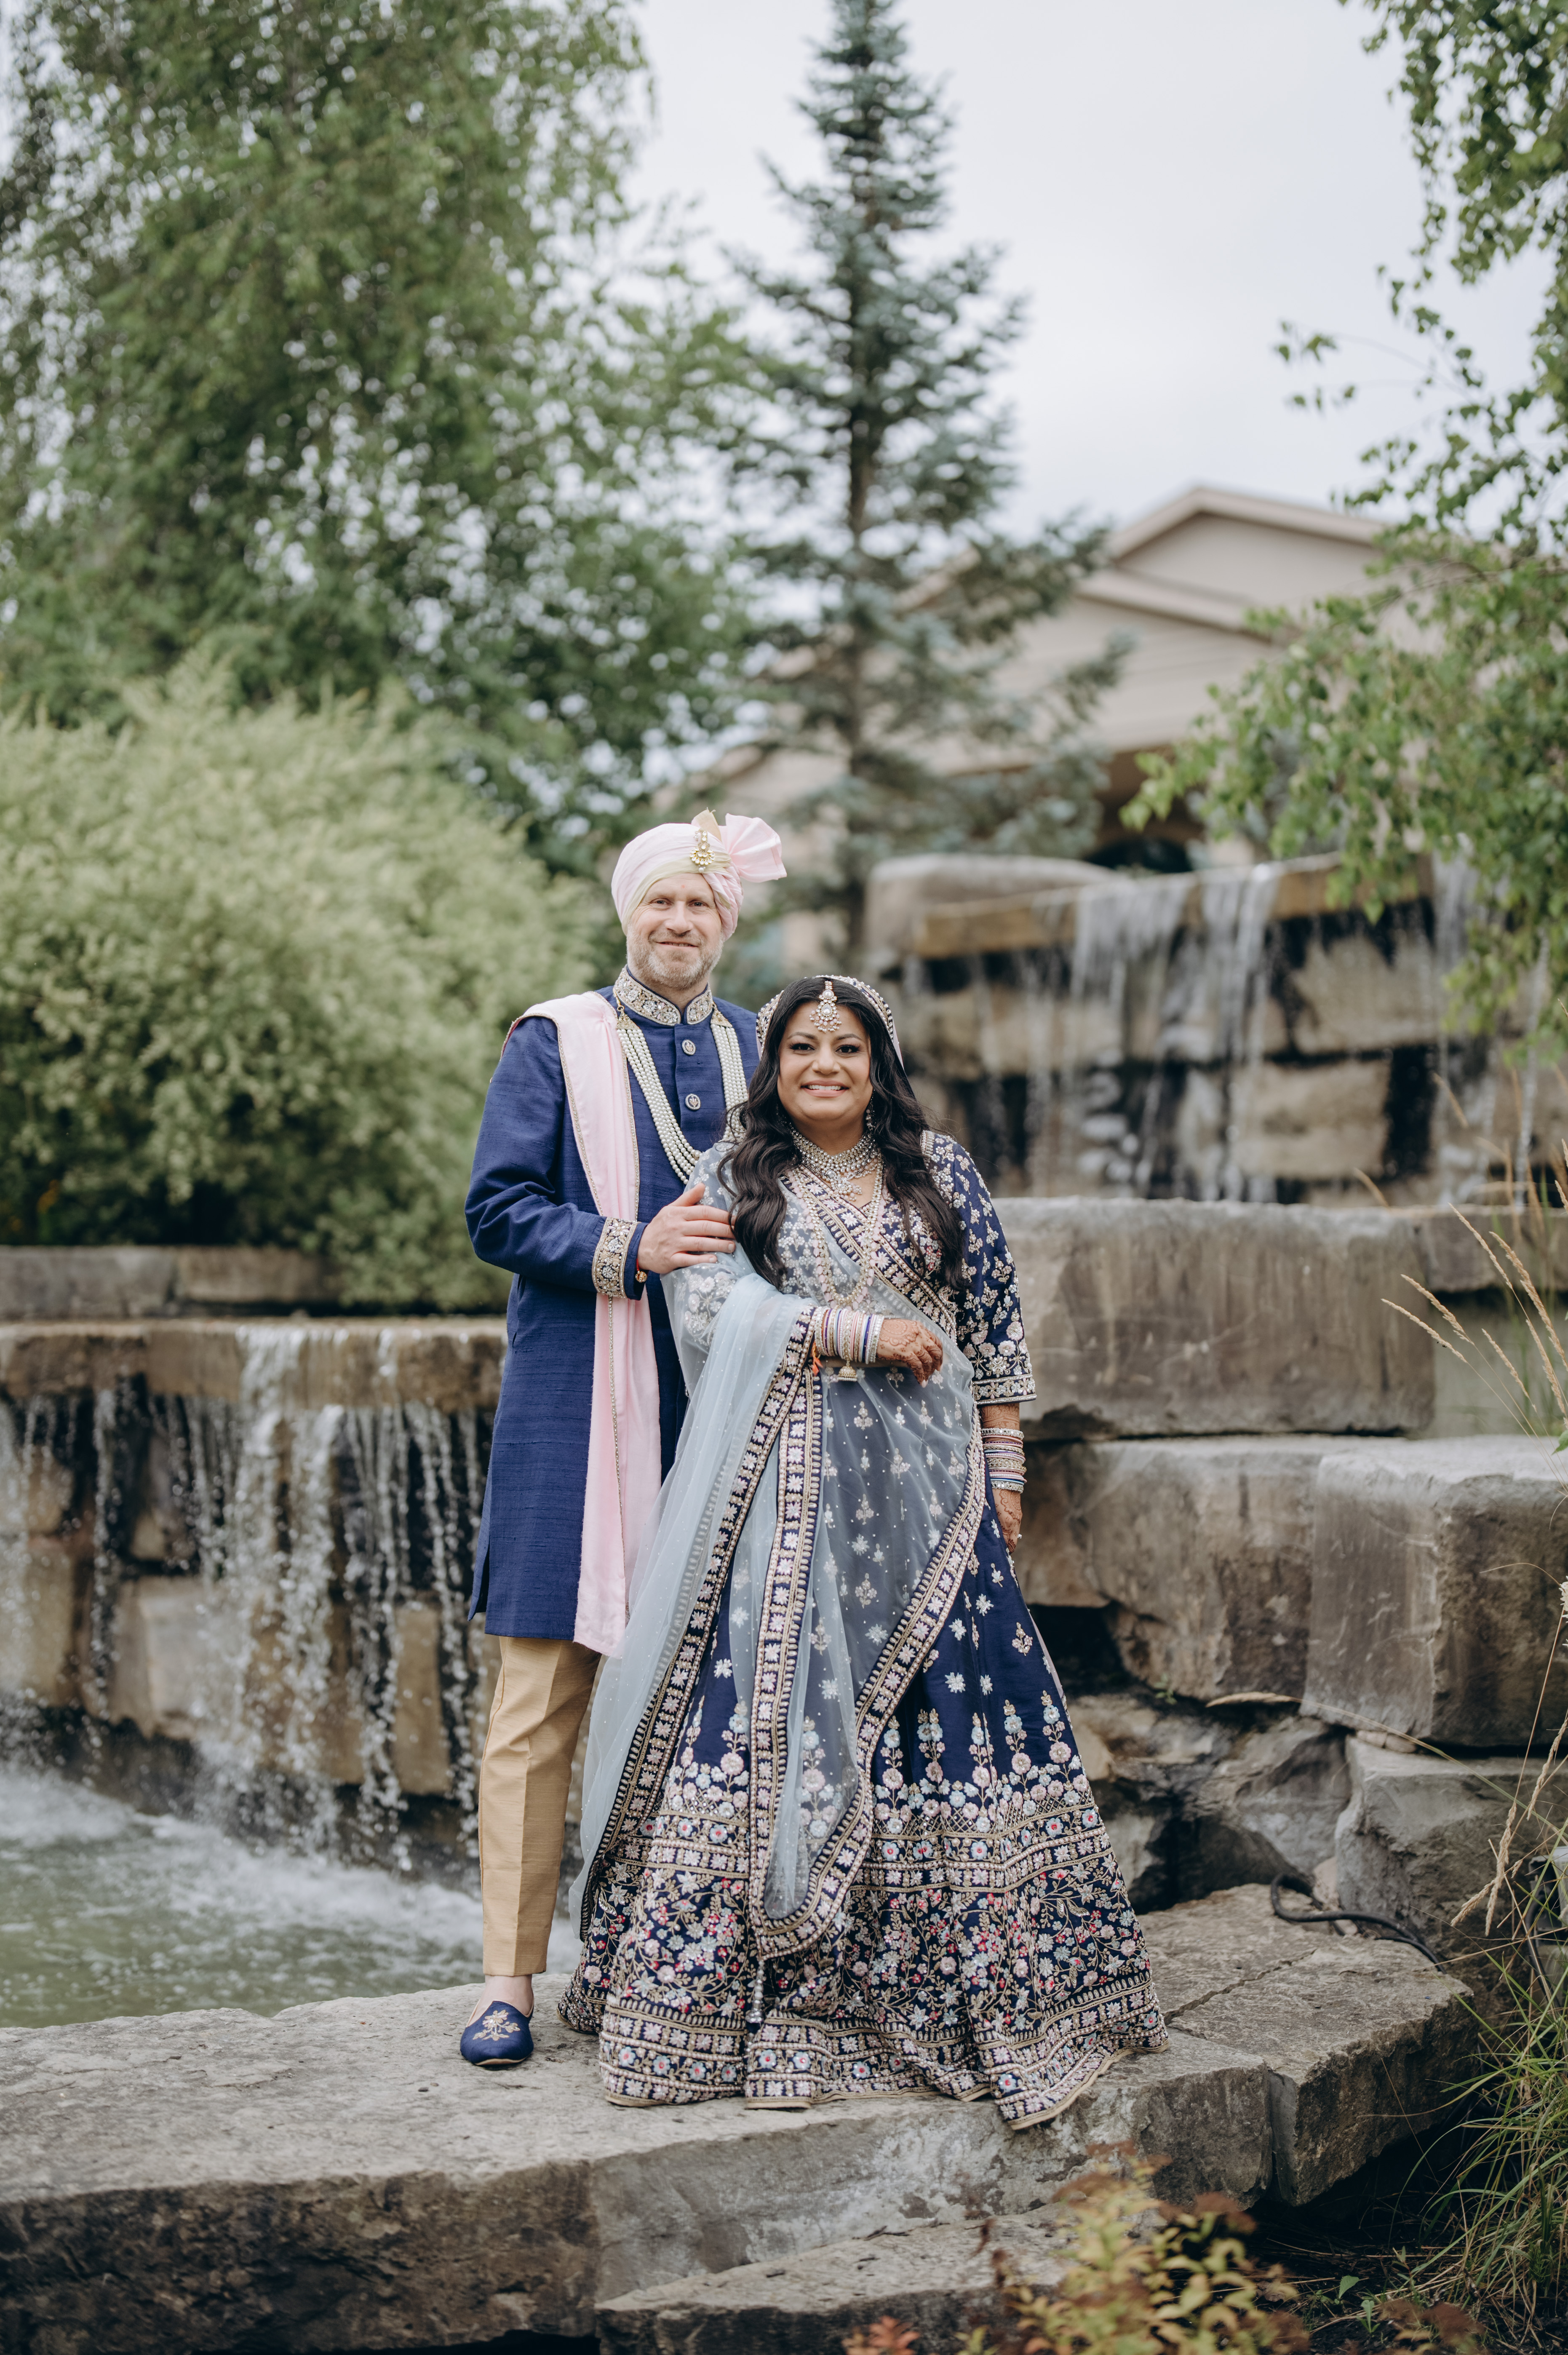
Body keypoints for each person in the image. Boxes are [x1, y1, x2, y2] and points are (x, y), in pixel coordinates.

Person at [560, 975, 1167, 2124]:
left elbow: (992, 1324)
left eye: (847, 1048)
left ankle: (989, 1987)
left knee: (952, 1717)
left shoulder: (940, 1170)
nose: (824, 1066)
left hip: (935, 1496)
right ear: (775, 1064)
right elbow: (704, 1307)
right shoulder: (733, 1174)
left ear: (878, 1064)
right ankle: (747, 2000)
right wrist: (852, 1333)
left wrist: (1005, 1471)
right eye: (803, 1047)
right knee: (772, 1721)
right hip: (786, 1507)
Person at [458, 809, 786, 2068]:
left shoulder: (765, 1047)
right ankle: (508, 1984)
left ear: (725, 925)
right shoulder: (554, 1039)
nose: (679, 921)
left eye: (701, 905)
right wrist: (628, 1246)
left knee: (718, 1689)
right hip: (572, 1403)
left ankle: (672, 1969)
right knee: (541, 1693)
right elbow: (497, 1210)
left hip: (721, 1400)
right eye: (660, 900)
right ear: (628, 913)